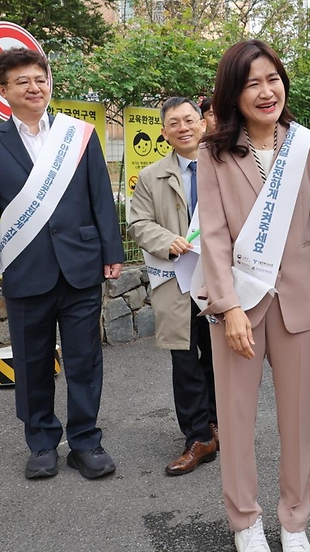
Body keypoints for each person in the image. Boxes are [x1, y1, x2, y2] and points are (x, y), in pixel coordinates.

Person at [198, 39, 310, 552]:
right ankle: (245, 521)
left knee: (298, 421)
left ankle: (295, 520)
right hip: (237, 304)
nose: (266, 92)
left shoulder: (307, 145)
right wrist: (228, 306)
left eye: (272, 79)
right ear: (233, 94)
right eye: (252, 83)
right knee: (235, 419)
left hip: (300, 303)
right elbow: (212, 235)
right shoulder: (212, 152)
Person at [0, 47, 125, 480]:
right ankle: (41, 443)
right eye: (23, 82)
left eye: (40, 79)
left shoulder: (80, 135)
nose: (35, 88)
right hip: (25, 270)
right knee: (32, 362)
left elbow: (100, 199)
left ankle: (86, 441)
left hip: (81, 267)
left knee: (84, 360)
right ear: (3, 91)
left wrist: (112, 251)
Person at [127, 97, 218, 476]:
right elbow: (138, 222)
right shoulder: (151, 176)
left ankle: (218, 424)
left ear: (203, 123)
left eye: (189, 120)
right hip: (175, 281)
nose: (183, 127)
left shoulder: (227, 166)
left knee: (220, 358)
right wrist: (167, 240)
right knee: (185, 360)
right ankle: (197, 436)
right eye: (174, 123)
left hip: (219, 280)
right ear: (164, 132)